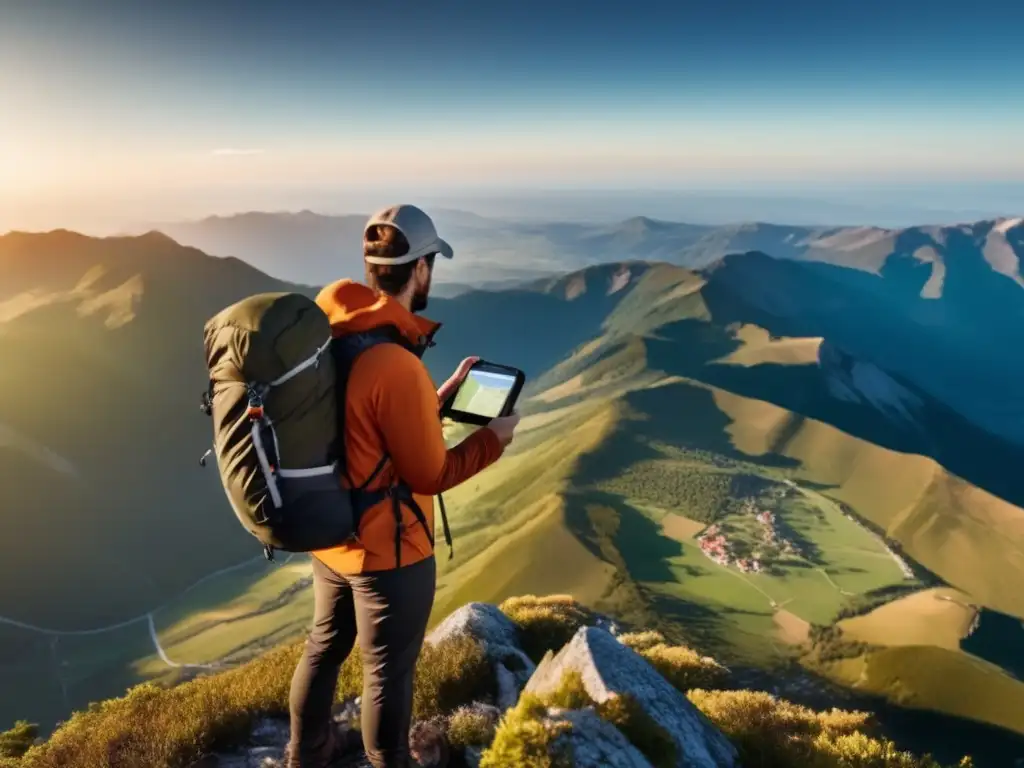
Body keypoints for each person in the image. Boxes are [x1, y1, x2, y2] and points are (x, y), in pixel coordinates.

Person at [286, 204, 520, 768]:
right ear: (421, 269)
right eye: (432, 263)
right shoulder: (393, 362)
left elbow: (367, 428)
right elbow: (429, 474)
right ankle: (390, 761)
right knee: (387, 670)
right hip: (389, 551)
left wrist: (435, 398)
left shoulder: (336, 330)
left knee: (324, 647)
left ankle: (306, 753)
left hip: (332, 530)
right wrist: (495, 440)